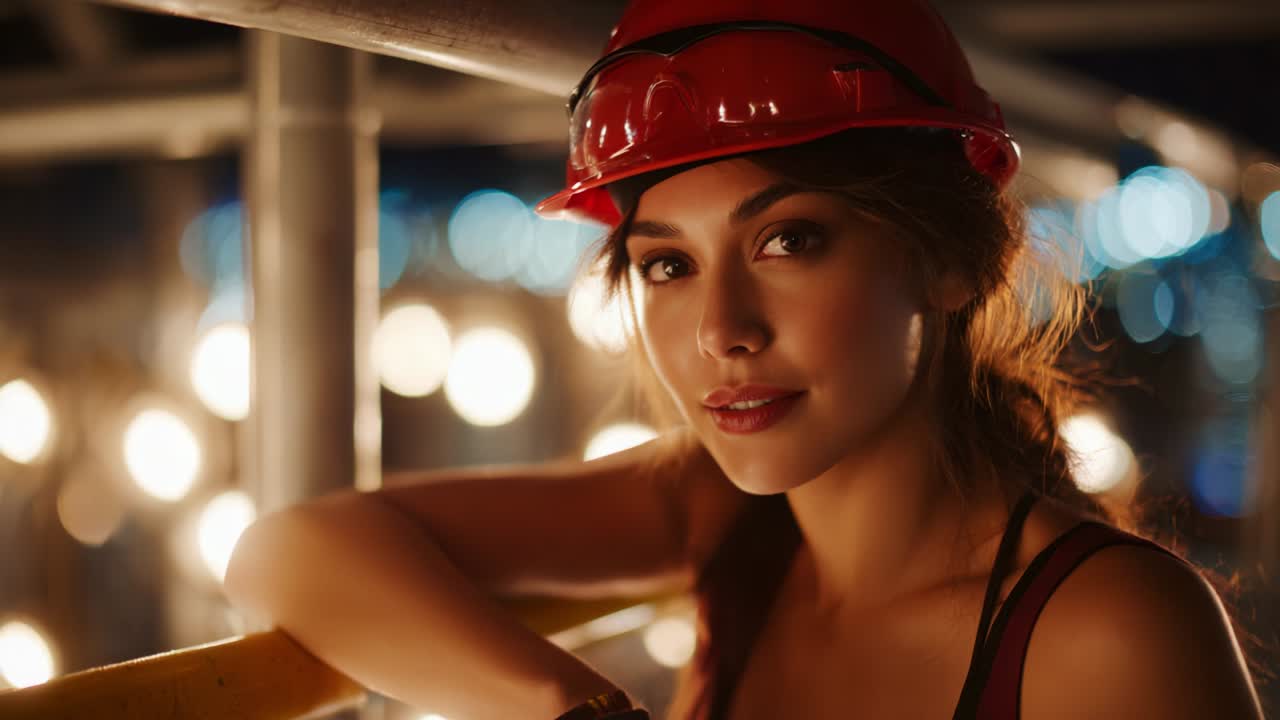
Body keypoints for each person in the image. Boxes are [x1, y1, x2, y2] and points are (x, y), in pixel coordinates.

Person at [223, 1, 1267, 719]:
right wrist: (569, 708)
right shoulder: (721, 514)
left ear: (951, 258)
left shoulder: (1110, 633)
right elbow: (287, 552)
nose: (720, 329)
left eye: (788, 241)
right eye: (666, 265)